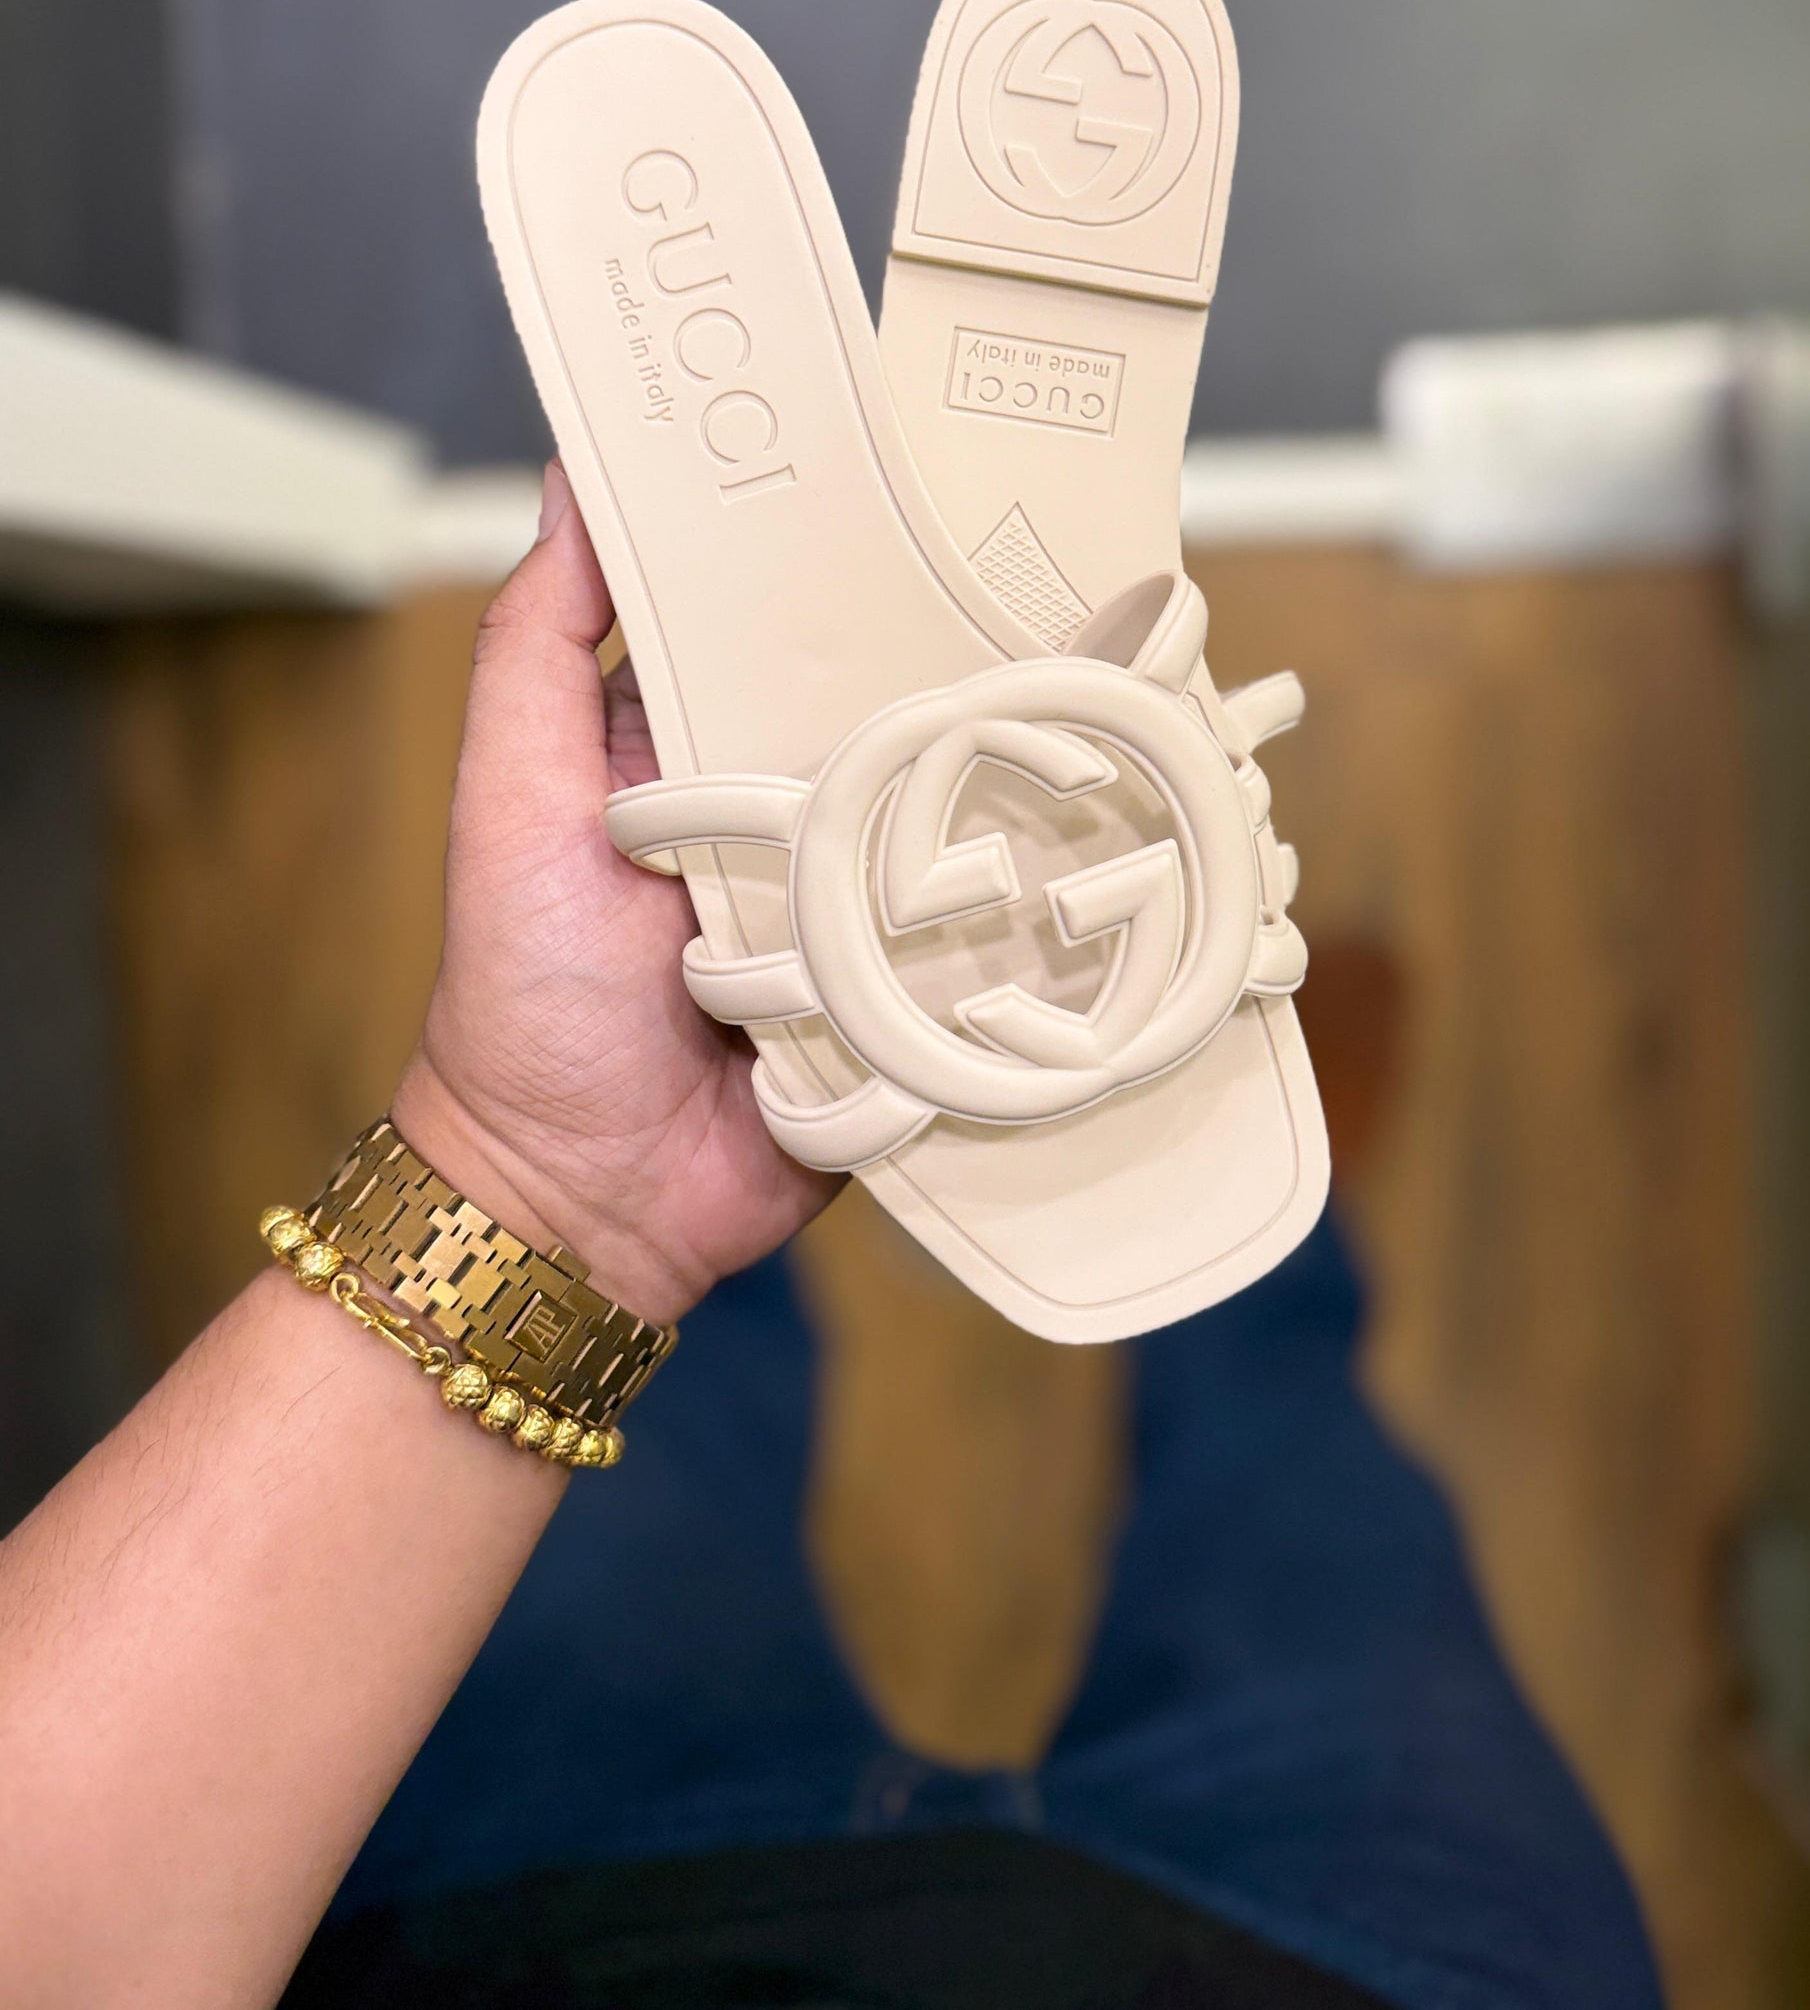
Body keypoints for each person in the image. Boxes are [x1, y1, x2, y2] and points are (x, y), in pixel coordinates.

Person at [0, 468, 1663, 2010]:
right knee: (1292, 1443)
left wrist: (538, 1183)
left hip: (545, 1926)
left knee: (662, 1383)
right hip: (1357, 1974)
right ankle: (1231, 1189)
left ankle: (817, 1047)